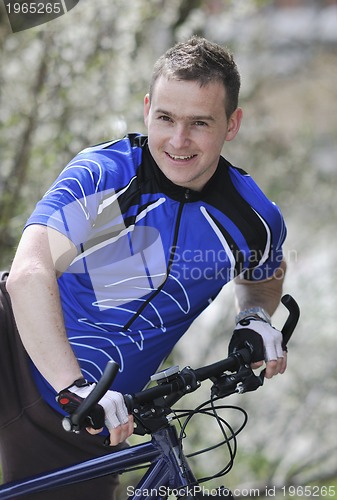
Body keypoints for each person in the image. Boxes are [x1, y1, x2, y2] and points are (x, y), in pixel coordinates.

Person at [1, 36, 288, 499]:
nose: (178, 141)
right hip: (16, 347)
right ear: (147, 108)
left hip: (89, 423)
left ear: (232, 124)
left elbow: (263, 274)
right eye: (166, 119)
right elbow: (29, 272)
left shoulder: (252, 220)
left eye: (199, 123)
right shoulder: (106, 173)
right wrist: (71, 385)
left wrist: (254, 316)